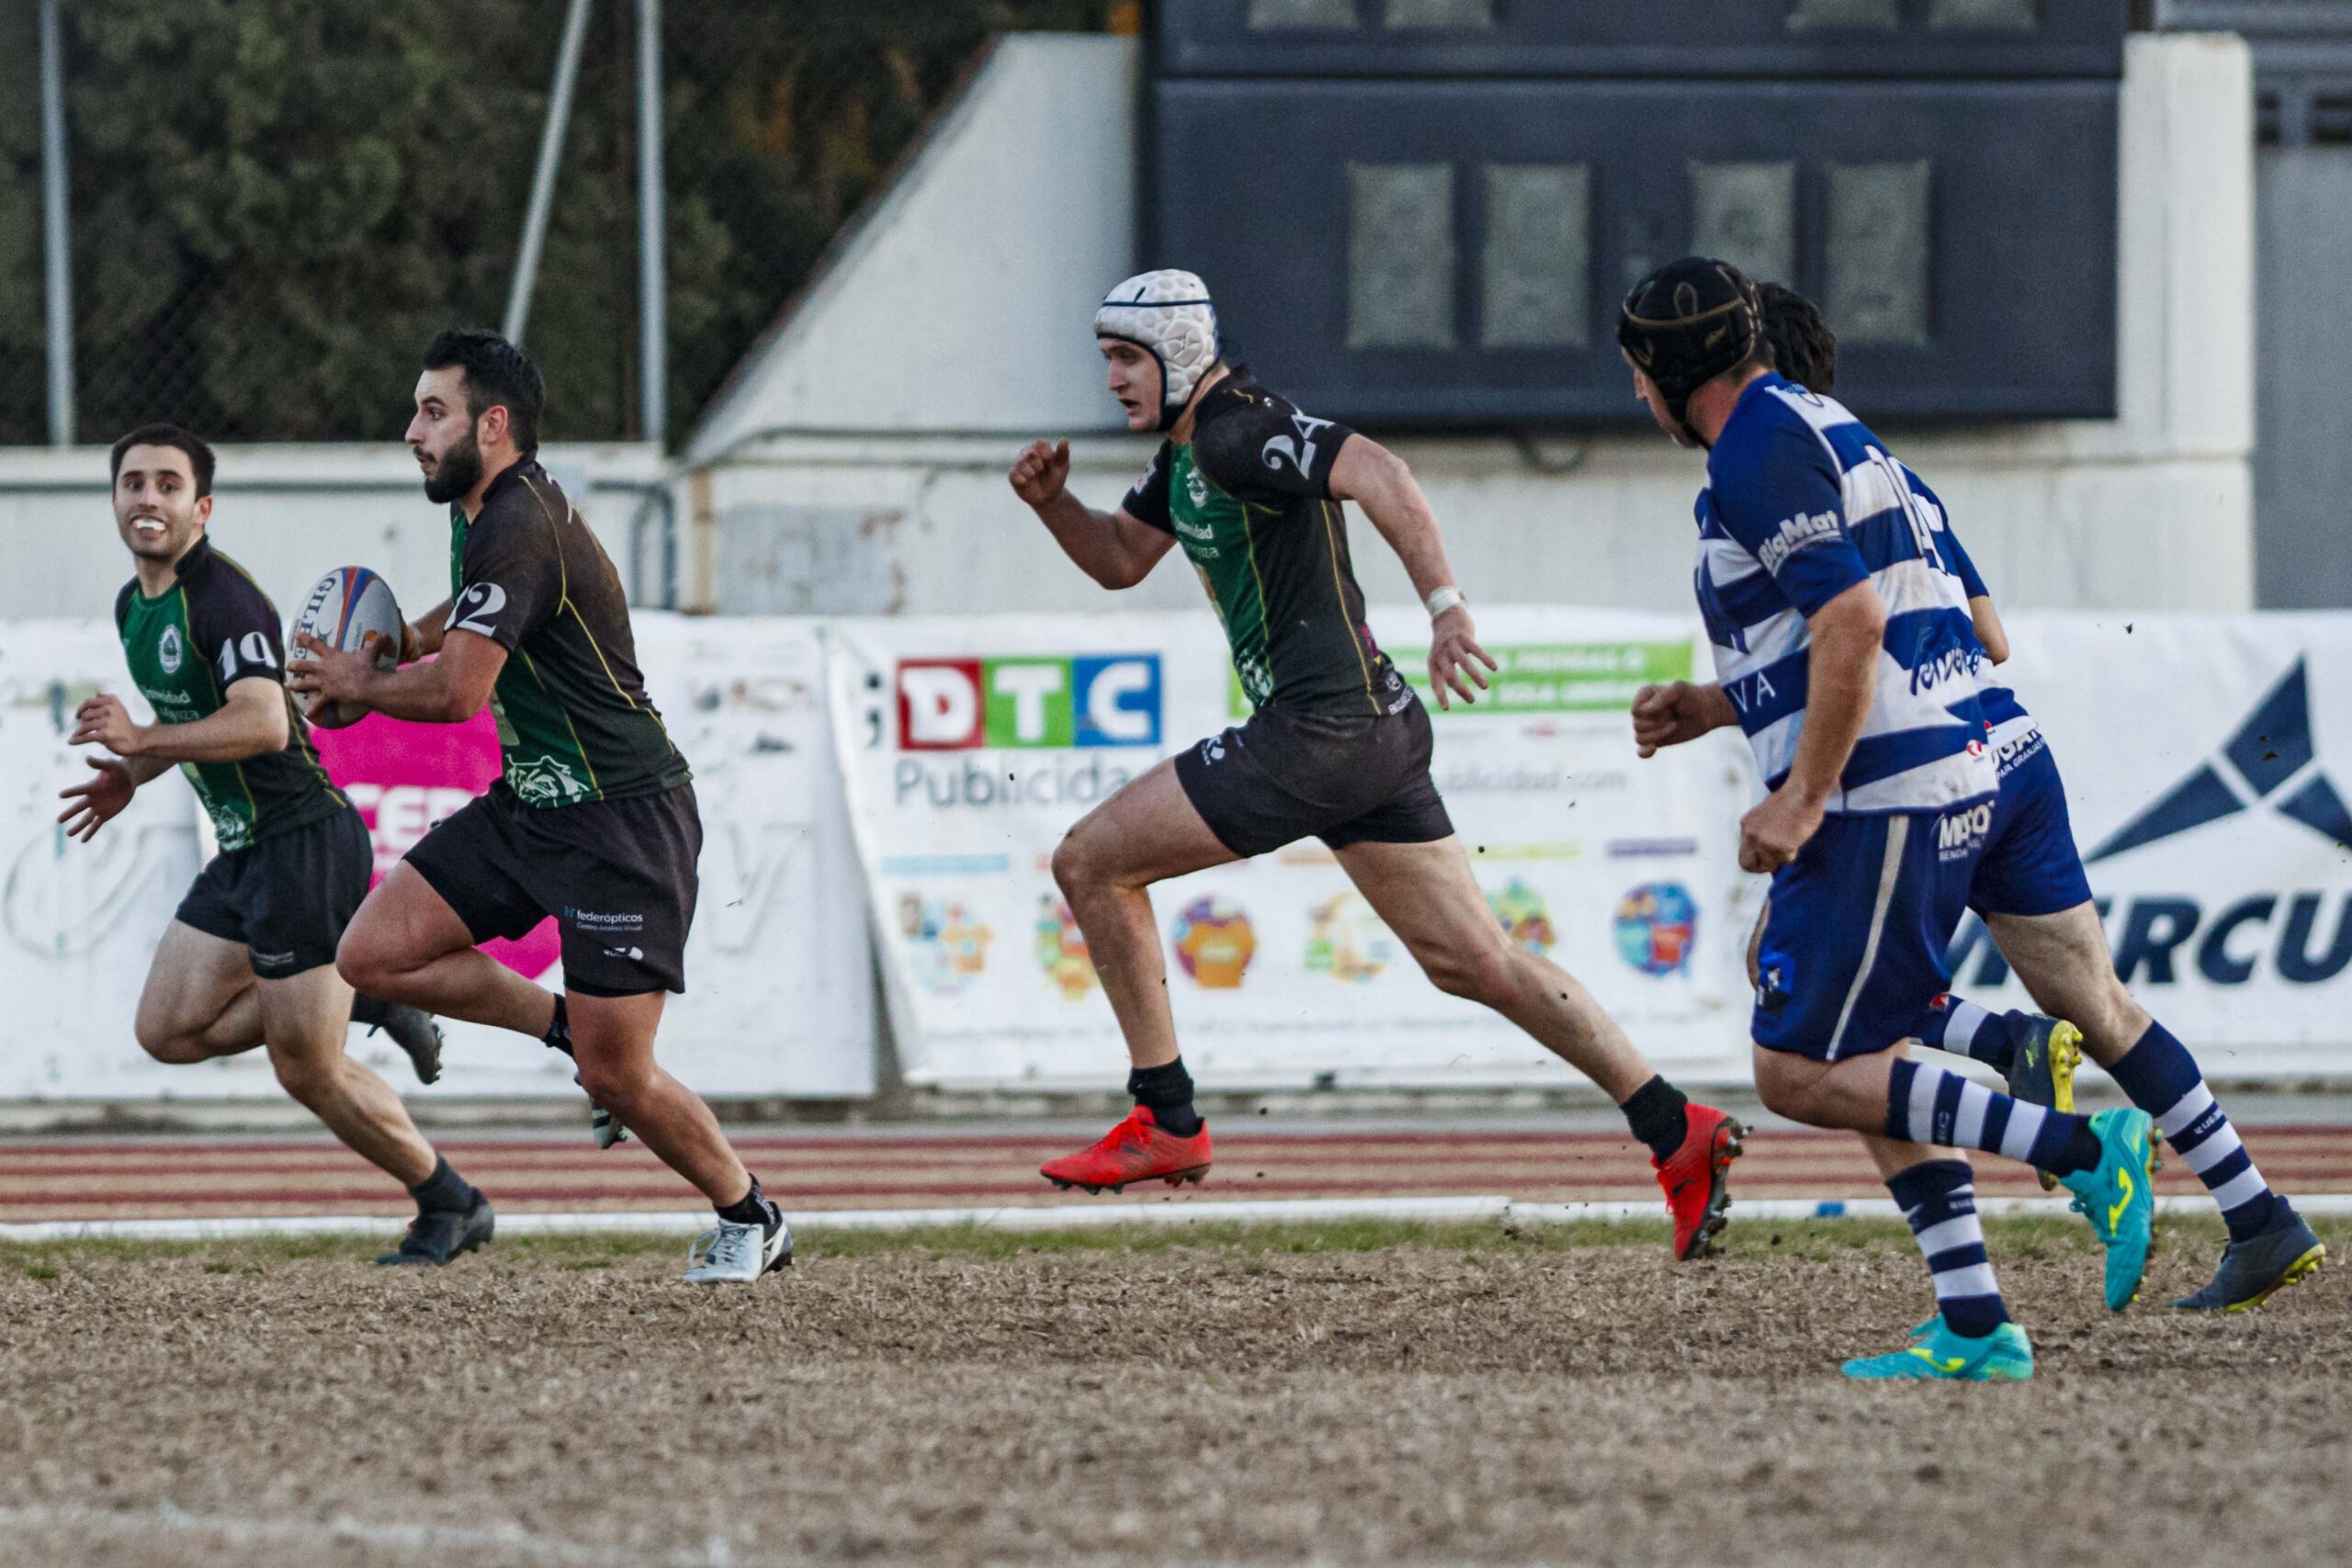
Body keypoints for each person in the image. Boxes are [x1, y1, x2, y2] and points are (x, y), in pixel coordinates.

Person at [1006, 270, 1745, 1260]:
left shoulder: (1236, 429)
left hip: (1321, 732)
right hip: (1369, 734)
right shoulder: (1185, 453)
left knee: (1090, 861)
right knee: (1476, 962)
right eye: (1107, 359)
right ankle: (1674, 1127)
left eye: (1126, 358)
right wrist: (1054, 503)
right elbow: (1118, 559)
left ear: (1179, 351)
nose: (1111, 380)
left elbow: (1381, 471)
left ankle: (1166, 1118)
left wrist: (1446, 608)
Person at [1724, 283, 2321, 1313]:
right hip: (2010, 749)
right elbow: (1991, 637)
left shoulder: (1783, 485)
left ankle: (2003, 1091)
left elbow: (1848, 635)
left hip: (1916, 775)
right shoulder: (1893, 472)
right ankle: (2257, 1212)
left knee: (1822, 1010)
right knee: (2103, 1005)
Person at [1618, 257, 2159, 1380]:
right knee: (1850, 1041)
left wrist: (1802, 796)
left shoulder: (1754, 451)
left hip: (1880, 790)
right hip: (1925, 770)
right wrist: (1717, 707)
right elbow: (1863, 624)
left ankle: (2080, 1146)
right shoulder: (1819, 427)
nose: (1633, 395)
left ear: (1670, 372)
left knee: (1795, 1071)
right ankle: (1972, 1317)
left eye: (1635, 373)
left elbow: (1855, 619)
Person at [288, 329, 788, 1285]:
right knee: (372, 954)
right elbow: (474, 611)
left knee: (620, 1077)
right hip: (532, 805)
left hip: (621, 821)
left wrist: (363, 679)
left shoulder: (517, 521)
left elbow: (459, 695)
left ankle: (751, 1214)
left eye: (432, 412)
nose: (412, 432)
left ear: (494, 423)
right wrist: (401, 644)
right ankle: (564, 1026)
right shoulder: (483, 510)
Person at [62, 424, 481, 1266]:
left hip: (302, 841)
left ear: (202, 508)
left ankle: (451, 1202)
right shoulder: (133, 606)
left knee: (307, 1069)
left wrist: (143, 738)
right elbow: (195, 720)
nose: (149, 497)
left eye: (169, 485)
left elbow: (261, 723)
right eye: (134, 482)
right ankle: (366, 996)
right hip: (246, 848)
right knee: (166, 1028)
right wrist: (131, 773)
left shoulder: (222, 600)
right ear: (114, 499)